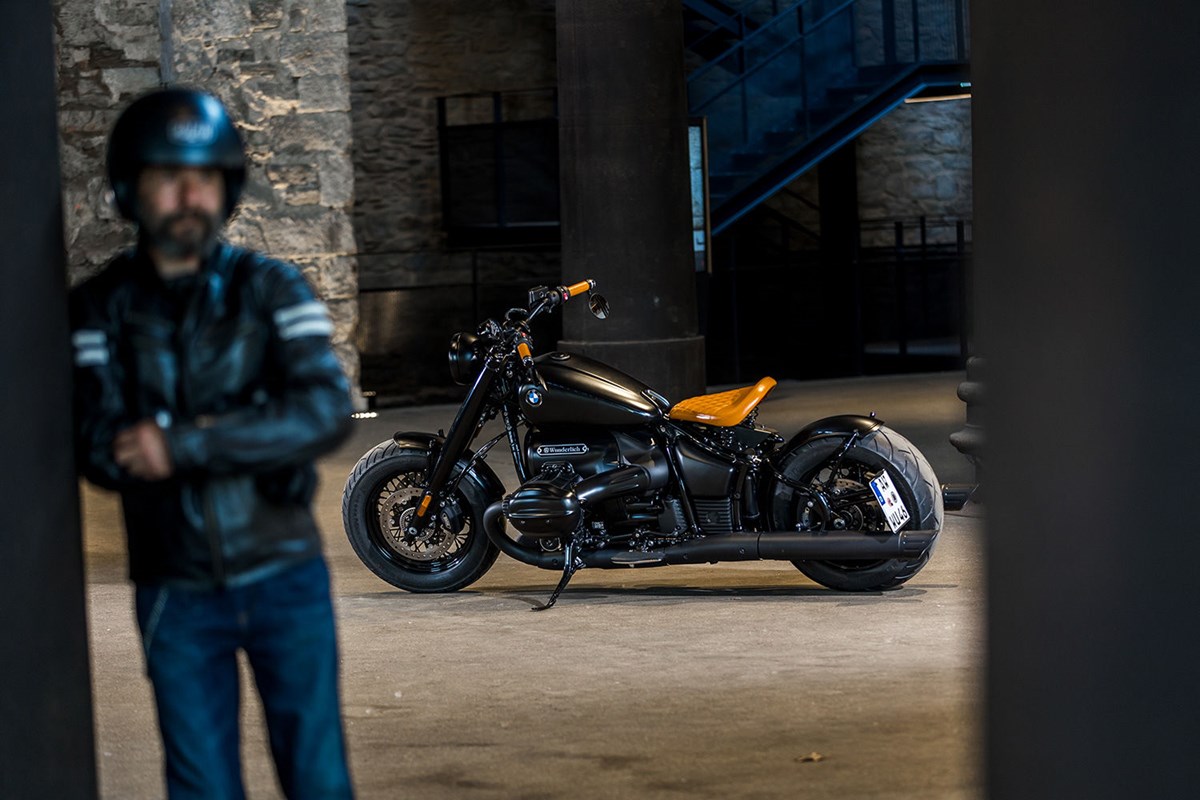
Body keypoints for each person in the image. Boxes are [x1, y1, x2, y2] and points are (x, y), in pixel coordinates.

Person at [69, 87, 355, 799]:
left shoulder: (273, 289)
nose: (188, 195)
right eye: (168, 177)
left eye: (204, 177)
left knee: (318, 781)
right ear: (130, 189)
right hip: (177, 589)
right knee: (202, 788)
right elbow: (97, 444)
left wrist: (182, 445)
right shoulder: (98, 307)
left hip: (286, 576)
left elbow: (325, 411)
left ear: (226, 188)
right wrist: (254, 427)